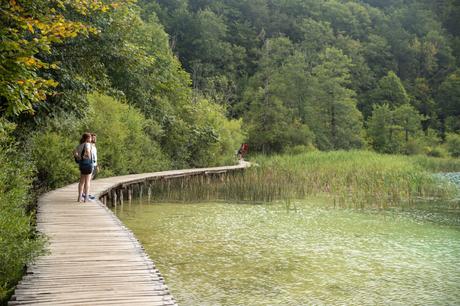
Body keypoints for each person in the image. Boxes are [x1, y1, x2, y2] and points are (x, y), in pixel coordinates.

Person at [75, 133, 93, 202]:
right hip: (88, 164)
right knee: (87, 181)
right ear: (87, 138)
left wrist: (80, 158)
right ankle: (86, 198)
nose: (91, 139)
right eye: (90, 138)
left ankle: (79, 197)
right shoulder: (87, 144)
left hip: (81, 165)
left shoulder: (79, 146)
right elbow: (88, 154)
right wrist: (87, 156)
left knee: (81, 182)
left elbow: (76, 154)